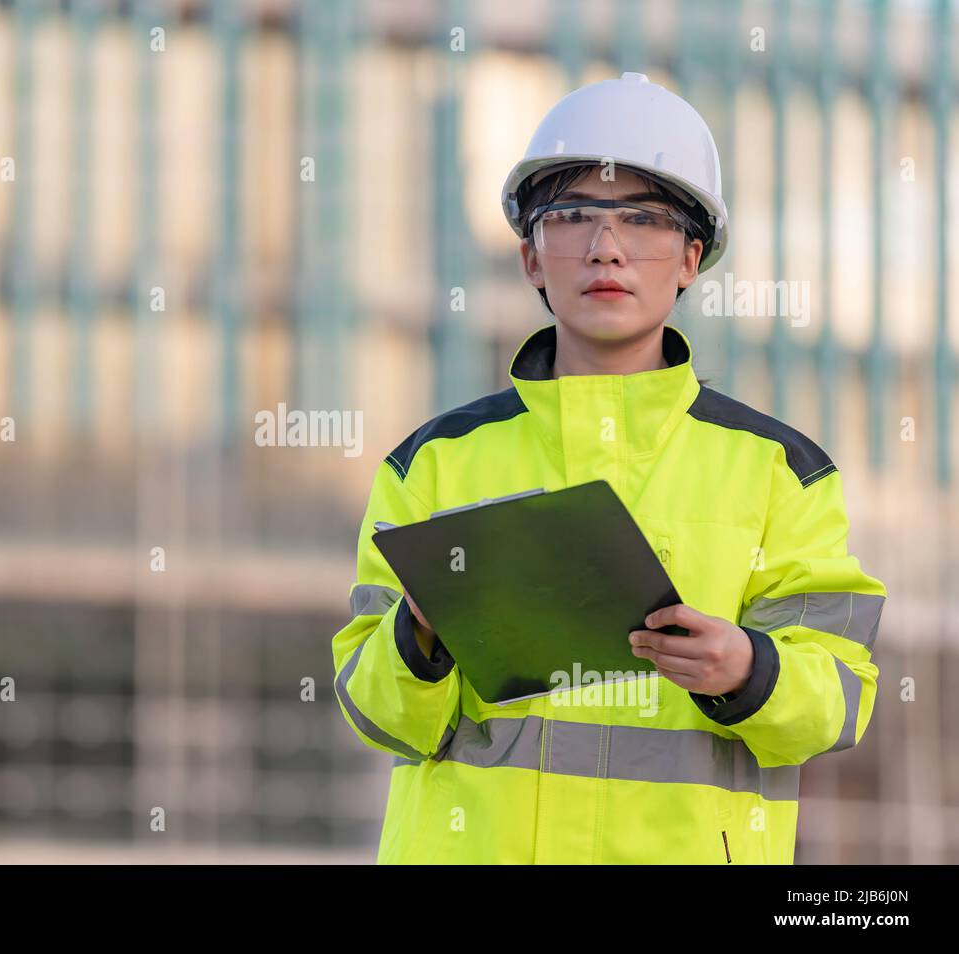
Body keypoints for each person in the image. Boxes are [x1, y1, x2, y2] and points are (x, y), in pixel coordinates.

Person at [330, 72, 886, 864]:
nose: (606, 247)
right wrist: (418, 633)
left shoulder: (780, 472)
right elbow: (377, 713)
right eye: (573, 218)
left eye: (642, 220)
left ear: (692, 257)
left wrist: (747, 669)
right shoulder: (433, 464)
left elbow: (842, 700)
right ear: (530, 257)